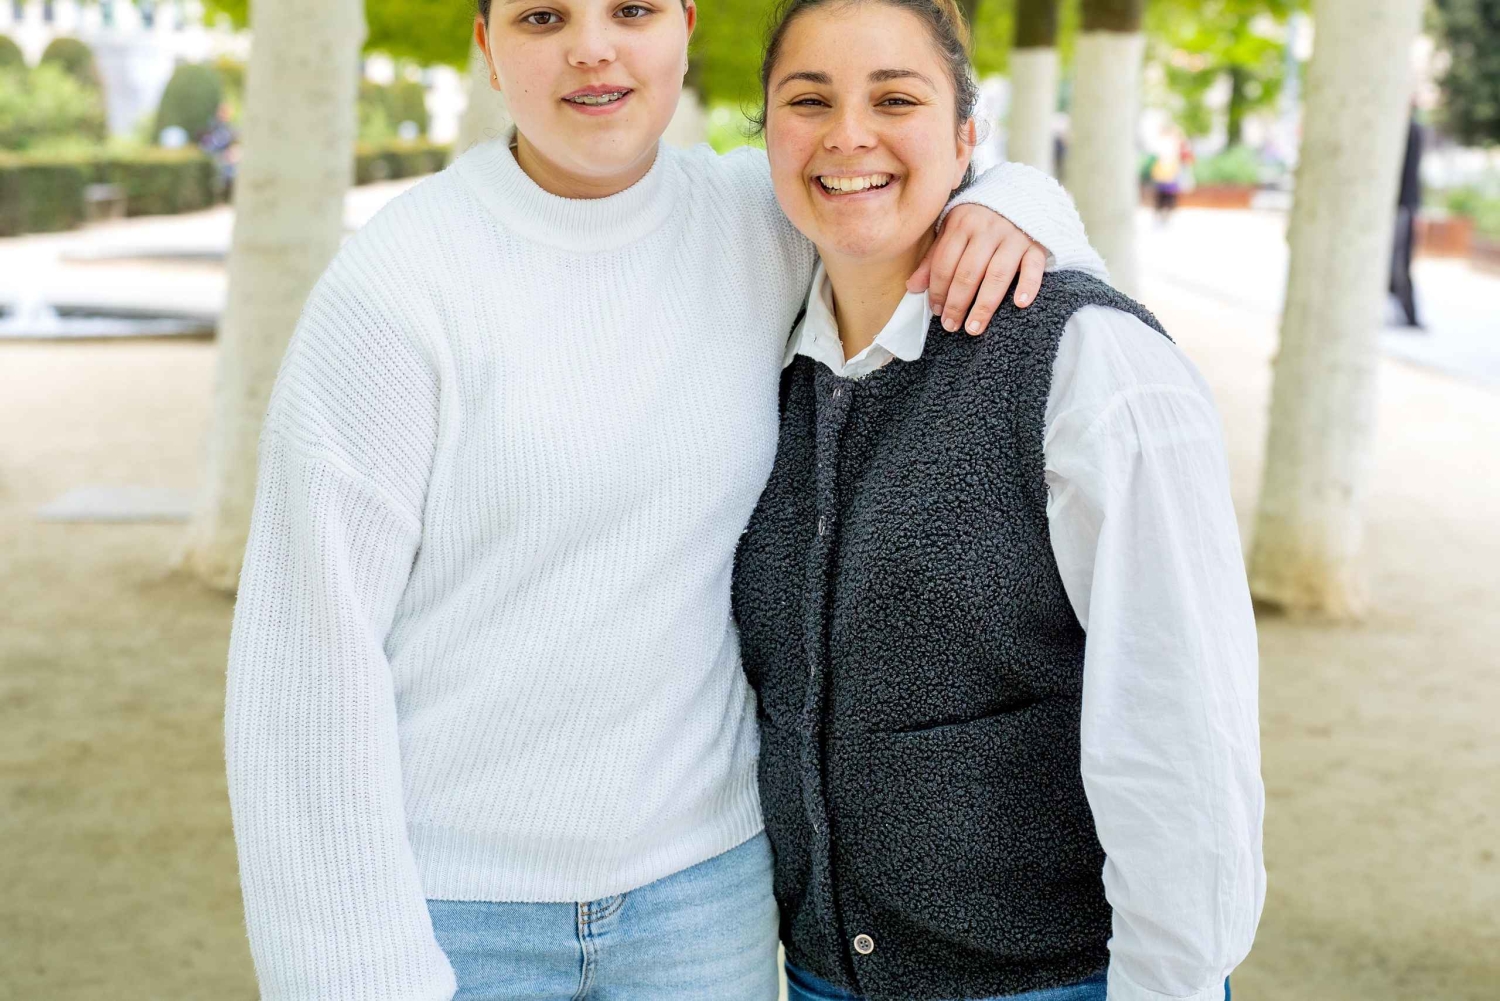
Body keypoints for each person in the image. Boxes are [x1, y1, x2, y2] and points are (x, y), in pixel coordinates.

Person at [223, 0, 1105, 997]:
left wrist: (1016, 207)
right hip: (457, 907)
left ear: (685, 25)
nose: (592, 47)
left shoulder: (757, 218)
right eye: (543, 17)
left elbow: (931, 169)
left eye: (632, 9)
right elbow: (305, 657)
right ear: (488, 49)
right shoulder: (397, 283)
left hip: (704, 900)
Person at [730, 1, 1266, 999]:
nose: (848, 134)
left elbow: (1181, 728)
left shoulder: (1089, 361)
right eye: (808, 101)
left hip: (1053, 981)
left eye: (897, 99)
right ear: (765, 136)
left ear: (967, 137)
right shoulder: (761, 357)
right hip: (822, 977)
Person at [1390, 111, 1424, 329]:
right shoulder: (1408, 128)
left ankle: (1409, 315)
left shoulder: (1407, 129)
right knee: (1398, 262)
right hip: (1403, 205)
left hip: (1401, 205)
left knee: (1399, 262)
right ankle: (1407, 314)